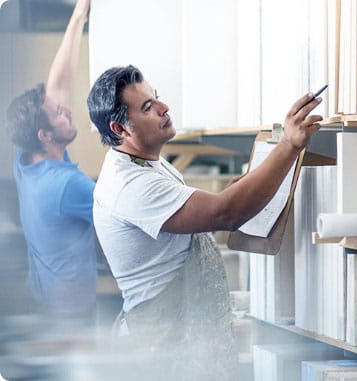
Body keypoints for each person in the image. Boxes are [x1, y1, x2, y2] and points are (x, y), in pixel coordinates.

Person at [87, 65, 322, 380]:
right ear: (120, 129)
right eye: (147, 107)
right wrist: (288, 146)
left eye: (156, 98)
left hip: (180, 342)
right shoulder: (130, 184)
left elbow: (204, 212)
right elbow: (225, 213)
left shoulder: (148, 164)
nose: (164, 107)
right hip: (161, 353)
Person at [5, 0, 97, 324]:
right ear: (45, 135)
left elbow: (57, 84)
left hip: (44, 299)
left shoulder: (25, 158)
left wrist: (79, 14)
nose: (67, 108)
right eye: (59, 112)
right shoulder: (65, 184)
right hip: (71, 315)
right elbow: (123, 211)